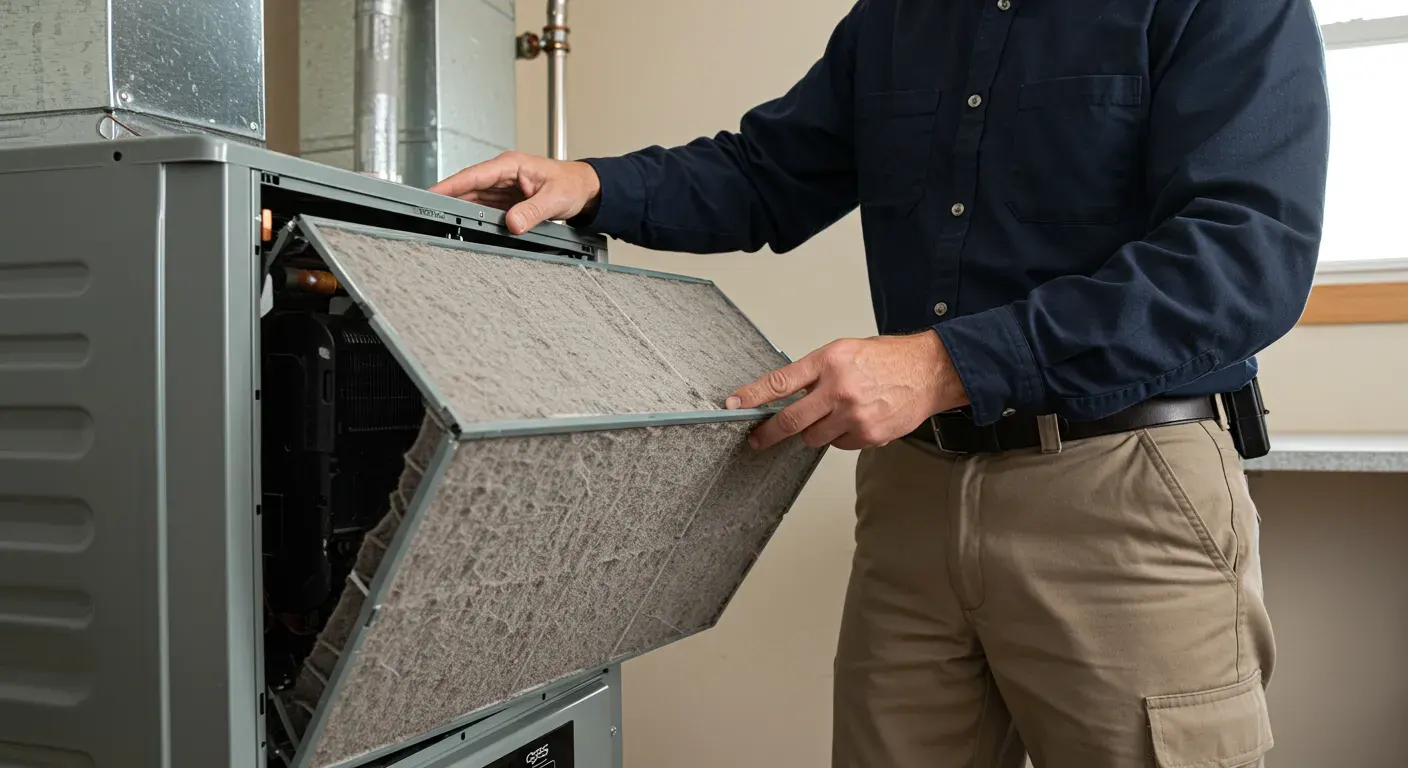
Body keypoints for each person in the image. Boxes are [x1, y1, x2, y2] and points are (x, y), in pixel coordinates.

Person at [432, 0, 1329, 764]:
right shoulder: (896, 16)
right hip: (913, 494)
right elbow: (766, 173)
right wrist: (590, 183)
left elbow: (1245, 260)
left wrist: (946, 364)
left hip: (1122, 489)